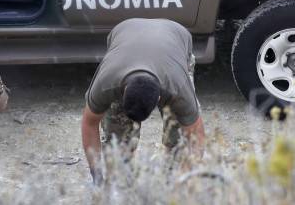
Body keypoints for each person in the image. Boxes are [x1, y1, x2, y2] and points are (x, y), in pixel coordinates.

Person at [81, 18, 205, 186]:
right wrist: (95, 173)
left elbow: (196, 137)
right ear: (124, 91)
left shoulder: (177, 88)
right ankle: (121, 179)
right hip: (126, 32)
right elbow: (89, 123)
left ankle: (173, 176)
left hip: (176, 38)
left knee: (178, 135)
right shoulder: (106, 83)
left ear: (160, 98)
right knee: (117, 137)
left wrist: (186, 178)